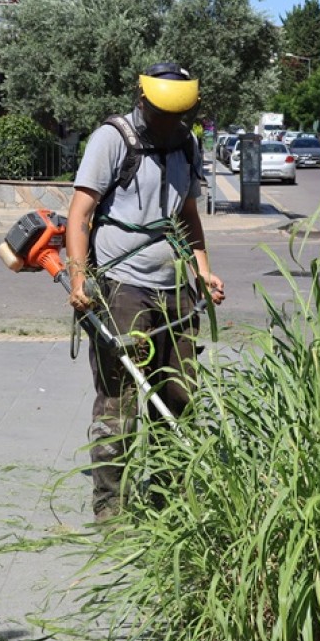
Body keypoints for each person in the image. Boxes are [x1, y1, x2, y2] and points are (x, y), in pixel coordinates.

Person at [64, 62, 226, 522]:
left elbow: (188, 213)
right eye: (162, 117)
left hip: (174, 288)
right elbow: (79, 215)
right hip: (122, 288)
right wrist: (79, 280)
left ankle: (167, 504)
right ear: (144, 103)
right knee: (120, 402)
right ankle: (110, 510)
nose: (170, 126)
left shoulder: (186, 143)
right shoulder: (112, 140)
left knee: (178, 397)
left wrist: (203, 272)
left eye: (179, 117)